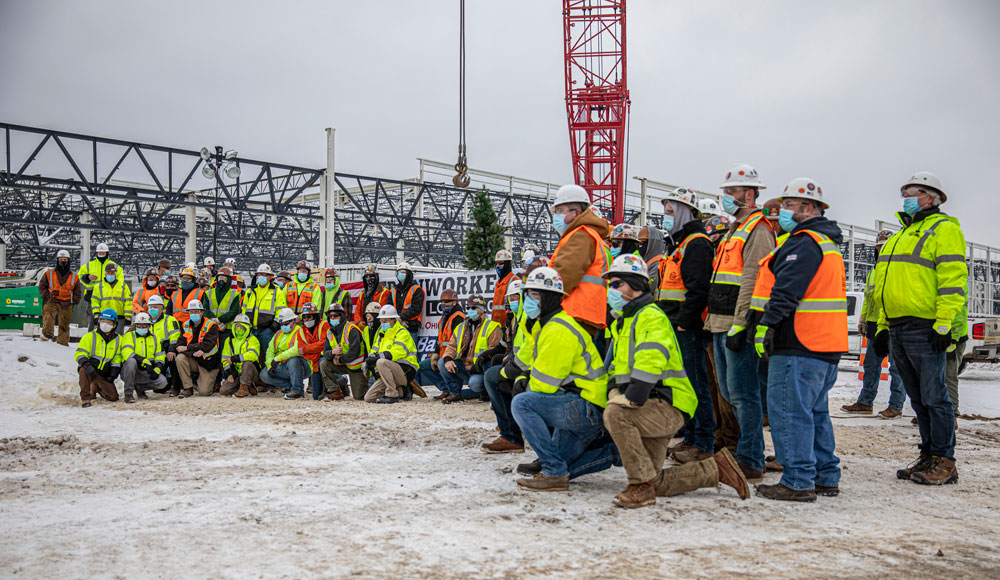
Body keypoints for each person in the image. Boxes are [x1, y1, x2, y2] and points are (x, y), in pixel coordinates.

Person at [600, 254, 749, 507]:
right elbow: (616, 367)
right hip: (652, 405)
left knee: (616, 414)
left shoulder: (650, 316)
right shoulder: (626, 320)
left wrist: (633, 396)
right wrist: (613, 389)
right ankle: (717, 469)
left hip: (666, 404)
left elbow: (652, 358)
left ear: (635, 285)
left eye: (616, 284)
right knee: (653, 480)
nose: (611, 291)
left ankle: (639, 487)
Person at [751, 178, 846, 502]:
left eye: (789, 205)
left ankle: (797, 479)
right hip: (824, 344)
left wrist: (766, 326)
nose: (783, 212)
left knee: (789, 412)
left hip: (800, 343)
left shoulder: (803, 242)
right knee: (814, 412)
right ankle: (824, 474)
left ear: (808, 208)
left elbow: (786, 291)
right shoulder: (826, 242)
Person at [873, 172, 966, 485]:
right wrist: (882, 327)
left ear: (933, 198)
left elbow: (953, 279)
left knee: (935, 396)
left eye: (914, 192)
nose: (907, 197)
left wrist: (943, 325)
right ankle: (928, 455)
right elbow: (885, 285)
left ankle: (945, 459)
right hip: (899, 327)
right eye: (905, 192)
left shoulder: (944, 229)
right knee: (918, 397)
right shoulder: (902, 233)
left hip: (925, 327)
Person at [510, 267, 619, 492]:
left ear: (548, 298)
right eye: (527, 294)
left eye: (534, 295)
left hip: (583, 407)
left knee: (522, 403)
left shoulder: (557, 330)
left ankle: (553, 471)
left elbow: (543, 386)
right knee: (565, 465)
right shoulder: (553, 324)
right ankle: (613, 454)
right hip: (587, 407)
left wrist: (521, 384)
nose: (528, 300)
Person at [704, 163, 775, 482]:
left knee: (744, 394)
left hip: (735, 324)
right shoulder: (736, 228)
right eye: (726, 192)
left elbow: (753, 279)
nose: (727, 197)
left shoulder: (758, 229)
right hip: (719, 322)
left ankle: (751, 458)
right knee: (730, 393)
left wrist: (741, 323)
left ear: (750, 193)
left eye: (732, 192)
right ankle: (742, 452)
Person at [656, 189, 716, 464]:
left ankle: (703, 441)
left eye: (670, 212)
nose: (666, 217)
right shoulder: (681, 243)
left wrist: (682, 324)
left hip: (687, 327)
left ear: (683, 212)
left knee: (695, 384)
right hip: (676, 325)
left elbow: (697, 290)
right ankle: (691, 437)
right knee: (684, 385)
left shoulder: (697, 244)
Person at [842, 229, 906, 418]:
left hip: (891, 324)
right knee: (871, 365)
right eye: (878, 246)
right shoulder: (875, 270)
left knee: (896, 367)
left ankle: (896, 405)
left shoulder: (897, 269)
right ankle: (865, 402)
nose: (880, 249)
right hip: (873, 324)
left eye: (883, 246)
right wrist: (863, 319)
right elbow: (869, 298)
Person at [548, 184, 611, 338]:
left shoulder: (581, 235)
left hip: (574, 313)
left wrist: (543, 301)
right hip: (582, 312)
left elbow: (564, 275)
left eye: (559, 211)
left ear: (576, 212)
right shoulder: (585, 234)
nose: (556, 216)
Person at [481, 278, 531, 453]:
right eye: (511, 298)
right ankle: (510, 432)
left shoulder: (528, 318)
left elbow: (529, 350)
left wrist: (508, 369)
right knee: (492, 374)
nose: (513, 302)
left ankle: (511, 435)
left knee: (493, 377)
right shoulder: (517, 318)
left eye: (517, 297)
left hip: (532, 371)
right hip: (523, 367)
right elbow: (513, 347)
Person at [439, 294, 501, 403]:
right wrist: (448, 359)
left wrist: (479, 365)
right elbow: (451, 346)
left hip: (479, 369)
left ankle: (485, 391)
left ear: (482, 310)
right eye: (468, 308)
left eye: (474, 308)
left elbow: (494, 350)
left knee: (475, 384)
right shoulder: (461, 327)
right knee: (442, 362)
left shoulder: (492, 327)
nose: (470, 310)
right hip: (464, 366)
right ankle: (455, 394)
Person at [363, 305, 419, 404]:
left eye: (385, 321)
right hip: (389, 372)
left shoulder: (402, 333)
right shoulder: (382, 333)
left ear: (394, 320)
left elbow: (395, 353)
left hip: (405, 371)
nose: (382, 323)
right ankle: (403, 391)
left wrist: (375, 359)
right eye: (381, 321)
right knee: (369, 398)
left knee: (381, 362)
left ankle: (392, 395)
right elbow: (375, 350)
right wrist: (368, 361)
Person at [171, 299, 221, 398]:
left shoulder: (211, 325)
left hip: (208, 362)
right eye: (191, 312)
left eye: (196, 311)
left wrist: (188, 348)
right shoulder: (185, 325)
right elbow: (179, 346)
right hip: (193, 359)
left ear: (202, 312)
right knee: (180, 358)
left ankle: (203, 382)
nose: (193, 314)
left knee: (204, 392)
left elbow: (207, 345)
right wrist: (192, 353)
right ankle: (188, 388)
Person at [421, 288, 465, 399]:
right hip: (442, 354)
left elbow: (457, 343)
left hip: (453, 357)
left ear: (454, 302)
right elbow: (440, 340)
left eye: (446, 301)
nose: (443, 304)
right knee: (423, 366)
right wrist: (435, 354)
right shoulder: (444, 317)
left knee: (442, 364)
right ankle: (446, 389)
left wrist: (447, 357)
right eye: (442, 301)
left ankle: (454, 391)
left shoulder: (459, 317)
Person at [75, 309, 124, 407]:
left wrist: (113, 373)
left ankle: (95, 386)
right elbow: (79, 354)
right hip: (90, 369)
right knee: (83, 370)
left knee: (113, 397)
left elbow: (117, 358)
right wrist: (87, 364)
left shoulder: (119, 339)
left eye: (108, 322)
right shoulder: (89, 337)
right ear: (99, 322)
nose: (105, 324)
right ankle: (85, 398)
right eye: (103, 321)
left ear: (114, 325)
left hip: (103, 373)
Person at [261, 307, 310, 400]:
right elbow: (270, 350)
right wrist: (269, 365)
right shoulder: (279, 333)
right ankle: (291, 386)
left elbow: (297, 350)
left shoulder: (301, 331)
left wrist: (277, 358)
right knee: (264, 374)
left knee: (294, 360)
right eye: (282, 324)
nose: (283, 326)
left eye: (286, 324)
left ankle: (297, 390)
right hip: (282, 366)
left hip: (302, 366)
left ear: (293, 322)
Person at [320, 303, 366, 400]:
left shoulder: (352, 329)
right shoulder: (329, 332)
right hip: (343, 364)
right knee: (324, 364)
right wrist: (333, 352)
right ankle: (335, 391)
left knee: (359, 397)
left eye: (335, 315)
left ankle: (343, 382)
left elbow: (354, 352)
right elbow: (325, 353)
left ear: (341, 316)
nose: (332, 318)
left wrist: (340, 360)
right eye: (330, 316)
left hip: (357, 367)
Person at [120, 312, 167, 403]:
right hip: (131, 370)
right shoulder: (129, 336)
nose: (141, 328)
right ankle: (128, 394)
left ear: (149, 326)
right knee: (131, 362)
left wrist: (157, 369)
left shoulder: (155, 338)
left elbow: (160, 355)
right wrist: (141, 360)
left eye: (144, 326)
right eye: (139, 326)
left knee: (162, 382)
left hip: (146, 370)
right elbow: (126, 352)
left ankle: (140, 388)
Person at [38, 249, 82, 345]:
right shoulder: (49, 273)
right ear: (57, 260)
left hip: (67, 302)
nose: (63, 261)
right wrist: (46, 296)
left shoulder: (74, 276)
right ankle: (47, 334)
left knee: (64, 324)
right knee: (48, 313)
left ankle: (62, 343)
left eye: (65, 259)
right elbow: (42, 285)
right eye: (61, 259)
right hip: (52, 299)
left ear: (68, 260)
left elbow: (77, 291)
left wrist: (75, 301)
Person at [243, 263, 287, 355]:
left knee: (268, 354)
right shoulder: (250, 291)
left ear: (270, 277)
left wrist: (272, 328)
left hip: (267, 331)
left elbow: (281, 311)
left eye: (265, 275)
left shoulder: (276, 291)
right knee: (251, 354)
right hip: (250, 330)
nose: (261, 277)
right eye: (260, 274)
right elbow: (243, 310)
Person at [79, 242, 124, 330]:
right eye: (99, 253)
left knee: (109, 319)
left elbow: (120, 280)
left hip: (109, 297)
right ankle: (93, 338)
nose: (101, 254)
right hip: (92, 297)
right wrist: (87, 277)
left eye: (103, 253)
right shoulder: (89, 266)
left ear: (107, 253)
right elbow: (80, 277)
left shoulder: (114, 266)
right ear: (97, 253)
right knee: (93, 320)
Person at [220, 313, 262, 398]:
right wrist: (229, 373)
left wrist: (236, 358)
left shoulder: (253, 340)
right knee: (223, 391)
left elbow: (253, 355)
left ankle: (244, 388)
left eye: (241, 326)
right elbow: (224, 359)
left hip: (251, 372)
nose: (238, 328)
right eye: (236, 326)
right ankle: (249, 387)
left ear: (247, 327)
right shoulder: (228, 340)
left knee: (247, 363)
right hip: (237, 372)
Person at [147, 294, 181, 396]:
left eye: (156, 307)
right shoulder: (144, 321)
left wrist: (171, 350)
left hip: (166, 351)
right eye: (151, 307)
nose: (153, 309)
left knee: (174, 360)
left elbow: (175, 336)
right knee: (159, 390)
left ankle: (176, 387)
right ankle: (165, 384)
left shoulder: (170, 320)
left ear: (162, 308)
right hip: (153, 353)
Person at [298, 302, 330, 400]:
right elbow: (302, 352)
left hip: (325, 358)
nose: (306, 320)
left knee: (323, 362)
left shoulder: (324, 325)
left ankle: (337, 386)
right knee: (316, 396)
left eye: (309, 317)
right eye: (304, 317)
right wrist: (315, 351)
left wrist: (307, 349)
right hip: (313, 364)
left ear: (315, 316)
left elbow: (324, 344)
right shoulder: (301, 331)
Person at [91, 261, 132, 334]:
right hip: (104, 317)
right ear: (105, 273)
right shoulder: (98, 287)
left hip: (119, 318)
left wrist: (128, 316)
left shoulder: (123, 286)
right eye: (108, 273)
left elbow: (128, 302)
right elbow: (95, 301)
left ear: (115, 274)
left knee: (117, 339)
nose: (110, 275)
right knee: (103, 337)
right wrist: (96, 313)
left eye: (112, 273)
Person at [391, 262, 424, 337]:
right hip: (395, 327)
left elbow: (416, 308)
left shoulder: (416, 289)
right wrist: (396, 320)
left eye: (403, 272)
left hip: (410, 327)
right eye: (398, 272)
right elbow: (389, 306)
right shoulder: (393, 291)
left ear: (409, 274)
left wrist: (401, 317)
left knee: (410, 348)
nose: (400, 274)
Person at [207, 266, 243, 331]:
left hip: (227, 329)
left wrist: (220, 320)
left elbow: (234, 311)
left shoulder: (235, 294)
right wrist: (214, 320)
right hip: (211, 327)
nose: (221, 280)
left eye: (224, 278)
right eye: (220, 278)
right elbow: (205, 309)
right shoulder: (208, 293)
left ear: (229, 280)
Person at [638, 225, 666, 291]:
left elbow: (649, 287)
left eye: (643, 243)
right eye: (640, 243)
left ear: (652, 243)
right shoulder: (648, 260)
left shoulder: (658, 262)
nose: (641, 246)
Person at [492, 250, 515, 325]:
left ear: (507, 264)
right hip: (496, 326)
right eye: (496, 263)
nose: (498, 266)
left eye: (501, 263)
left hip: (507, 325)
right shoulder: (498, 284)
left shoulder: (514, 281)